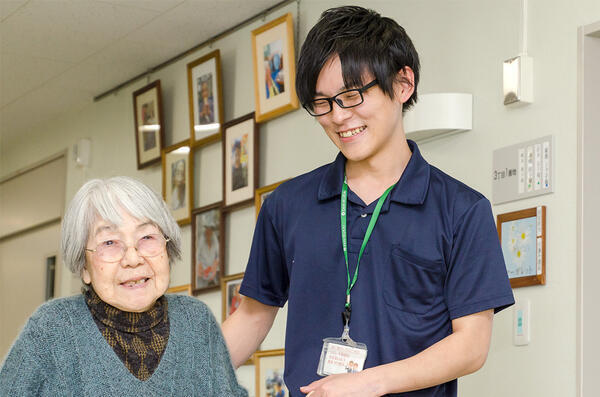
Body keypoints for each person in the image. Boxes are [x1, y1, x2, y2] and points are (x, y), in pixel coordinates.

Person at [222, 6, 514, 397]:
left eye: (352, 95)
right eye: (322, 103)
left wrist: (367, 384)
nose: (338, 117)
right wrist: (173, 380)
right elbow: (253, 317)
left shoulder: (462, 210)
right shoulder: (286, 205)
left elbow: (471, 346)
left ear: (402, 84)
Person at [0, 177, 247, 397]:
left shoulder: (196, 321)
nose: (132, 258)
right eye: (109, 242)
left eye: (147, 238)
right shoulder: (52, 328)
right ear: (84, 267)